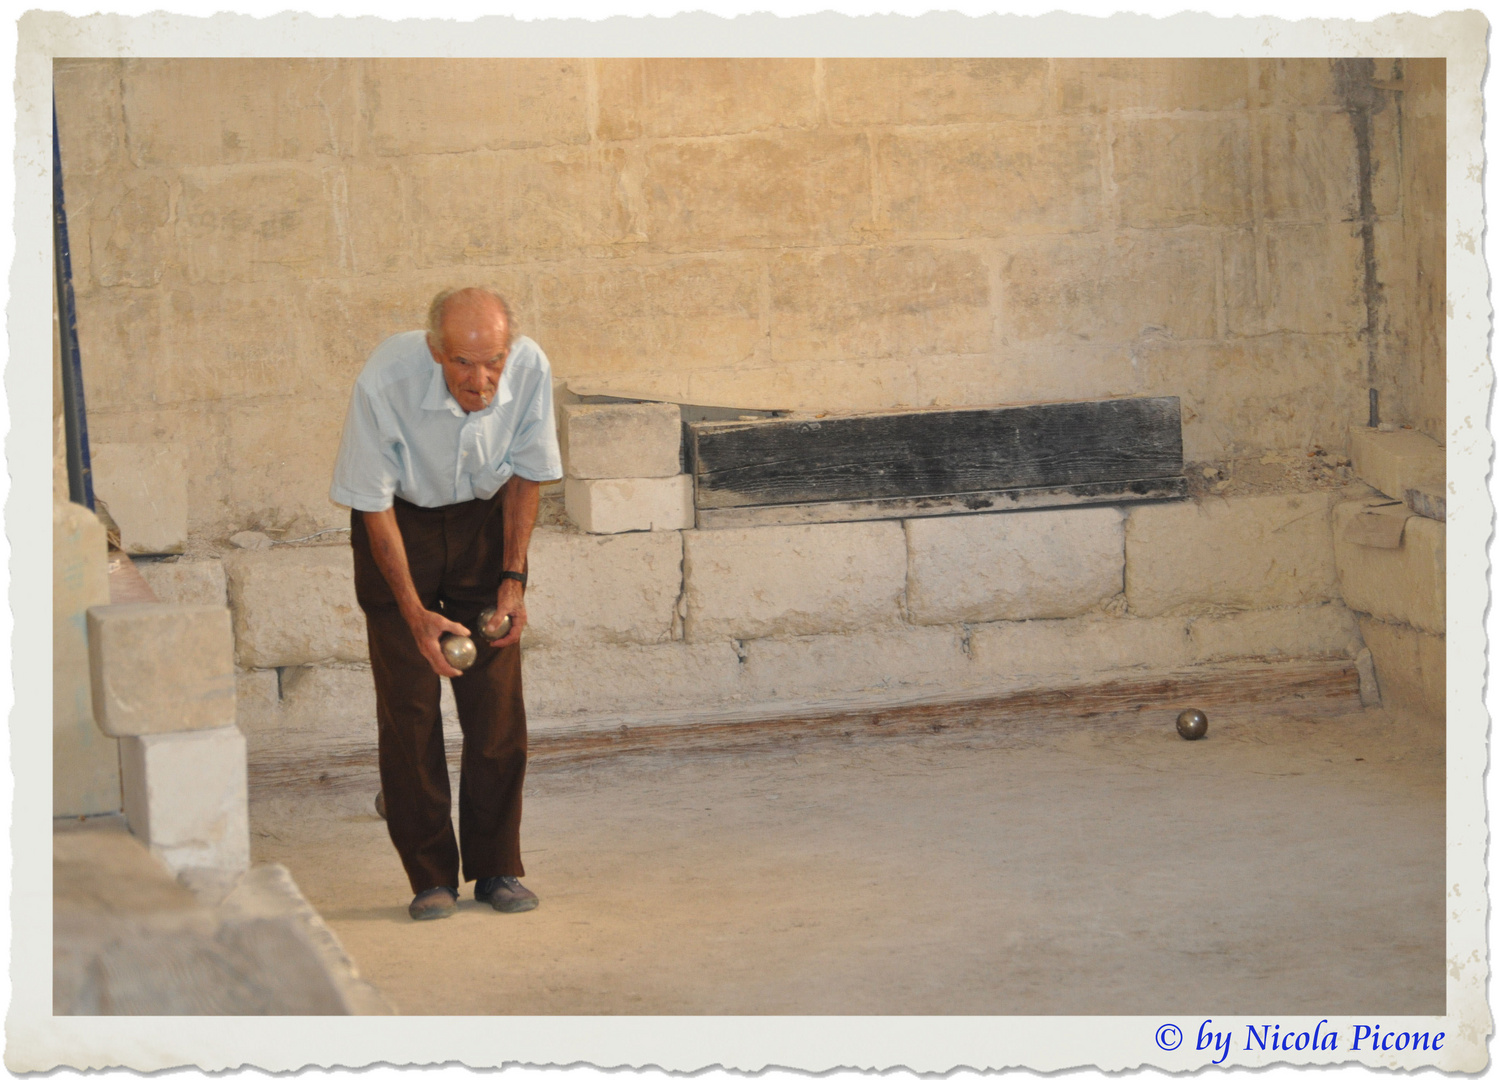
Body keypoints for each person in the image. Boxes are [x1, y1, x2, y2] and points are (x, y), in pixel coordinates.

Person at [329, 287, 562, 921]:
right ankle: (429, 875)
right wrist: (413, 612)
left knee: (495, 704)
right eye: (462, 362)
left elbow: (528, 474)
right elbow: (371, 505)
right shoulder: (385, 380)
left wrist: (513, 580)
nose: (481, 380)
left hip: (484, 522)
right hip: (397, 526)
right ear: (435, 351)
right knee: (409, 708)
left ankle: (496, 866)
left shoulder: (531, 369)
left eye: (494, 361)